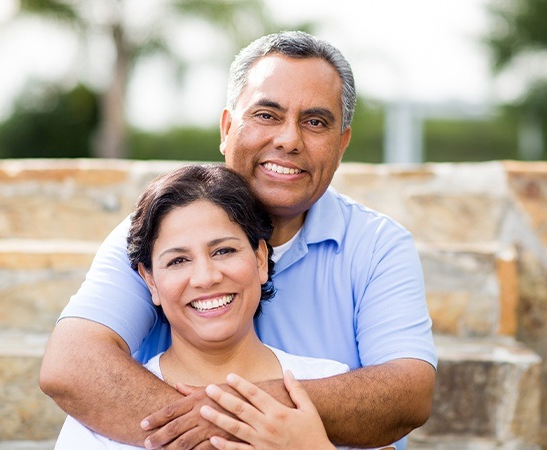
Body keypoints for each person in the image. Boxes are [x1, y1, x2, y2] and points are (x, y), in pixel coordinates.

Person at [40, 31, 437, 450]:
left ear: (342, 144)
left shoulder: (377, 245)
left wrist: (238, 414)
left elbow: (407, 394)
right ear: (228, 127)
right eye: (266, 115)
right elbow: (72, 365)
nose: (288, 140)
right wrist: (227, 430)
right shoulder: (158, 231)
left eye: (315, 122)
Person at [54, 164, 394, 450]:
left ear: (260, 259)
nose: (205, 277)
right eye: (178, 261)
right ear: (150, 281)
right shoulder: (101, 413)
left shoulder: (329, 383)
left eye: (224, 251)